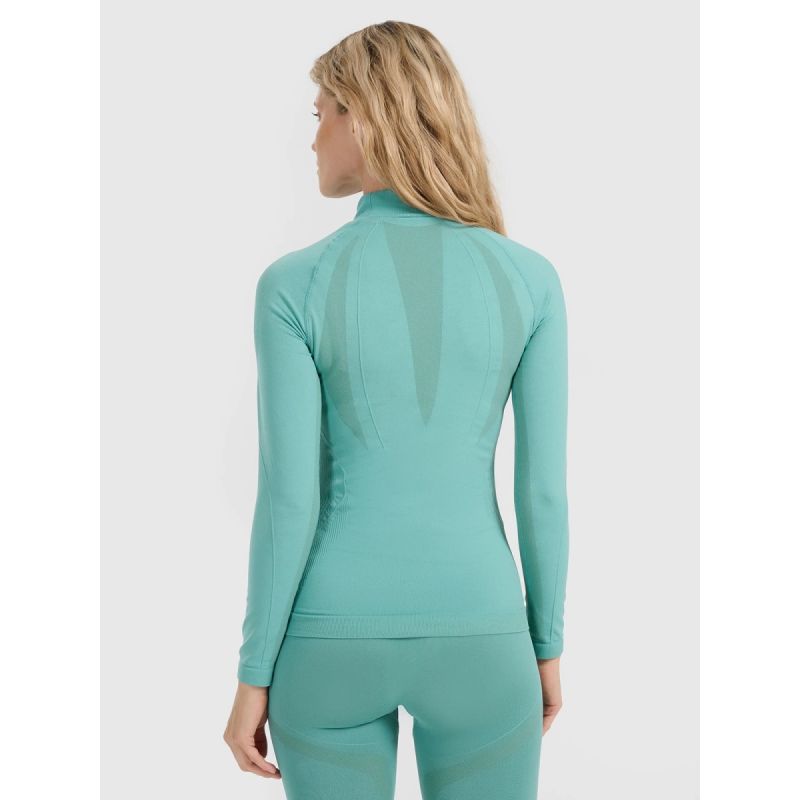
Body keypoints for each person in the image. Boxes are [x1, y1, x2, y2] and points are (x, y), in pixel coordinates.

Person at [223, 20, 570, 800]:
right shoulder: (531, 279)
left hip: (327, 646)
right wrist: (545, 645)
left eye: (322, 112)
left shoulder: (293, 284)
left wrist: (253, 673)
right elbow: (543, 492)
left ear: (364, 115)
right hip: (484, 638)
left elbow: (288, 500)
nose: (313, 136)